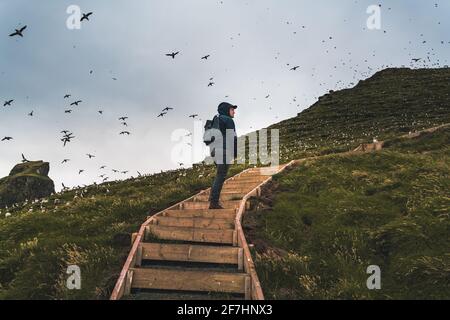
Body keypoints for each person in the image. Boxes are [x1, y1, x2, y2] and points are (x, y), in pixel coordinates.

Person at [209, 102, 238, 209]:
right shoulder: (228, 120)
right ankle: (213, 202)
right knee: (221, 176)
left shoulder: (216, 119)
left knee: (219, 175)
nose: (234, 111)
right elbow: (232, 137)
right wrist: (235, 153)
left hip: (213, 151)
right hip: (224, 151)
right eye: (232, 109)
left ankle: (212, 199)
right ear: (226, 110)